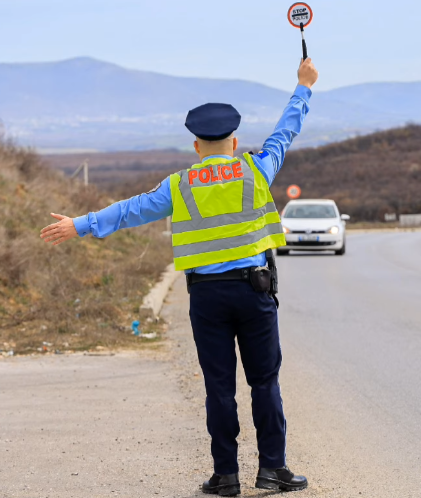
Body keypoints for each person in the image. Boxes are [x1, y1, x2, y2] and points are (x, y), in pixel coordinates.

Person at [40, 58, 319, 496]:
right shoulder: (256, 169)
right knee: (263, 381)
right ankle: (272, 469)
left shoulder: (179, 186)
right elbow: (286, 132)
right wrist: (303, 87)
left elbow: (130, 209)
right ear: (235, 141)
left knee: (218, 387)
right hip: (255, 292)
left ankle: (226, 476)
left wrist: (80, 224)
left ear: (195, 146)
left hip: (207, 299)